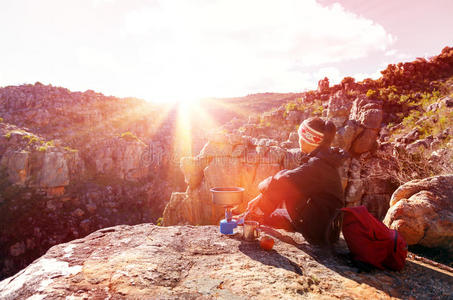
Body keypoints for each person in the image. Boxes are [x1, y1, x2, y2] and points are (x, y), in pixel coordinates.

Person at [238, 117, 348, 245]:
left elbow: (284, 181)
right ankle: (256, 215)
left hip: (318, 232)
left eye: (301, 136)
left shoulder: (317, 165)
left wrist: (261, 190)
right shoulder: (324, 160)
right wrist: (262, 196)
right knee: (271, 213)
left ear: (311, 140)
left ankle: (253, 216)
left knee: (286, 186)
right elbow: (288, 176)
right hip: (325, 225)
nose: (299, 139)